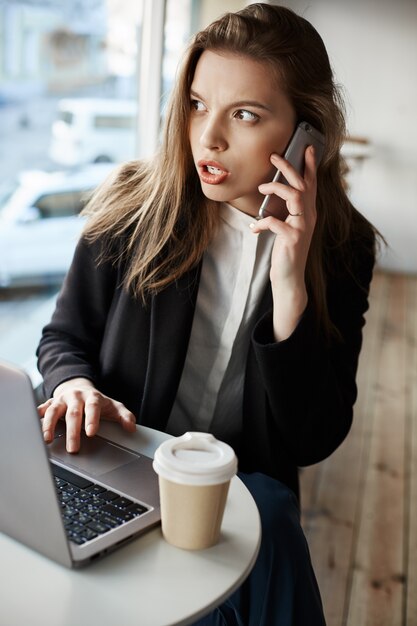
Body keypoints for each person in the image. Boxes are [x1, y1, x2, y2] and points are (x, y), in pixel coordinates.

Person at [37, 4, 381, 624]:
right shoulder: (134, 205)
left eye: (244, 114)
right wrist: (75, 384)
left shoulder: (342, 247)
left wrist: (291, 285)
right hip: (124, 468)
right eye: (198, 104)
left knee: (266, 527)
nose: (208, 137)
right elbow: (64, 337)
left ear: (309, 134)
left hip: (240, 493)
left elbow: (313, 437)